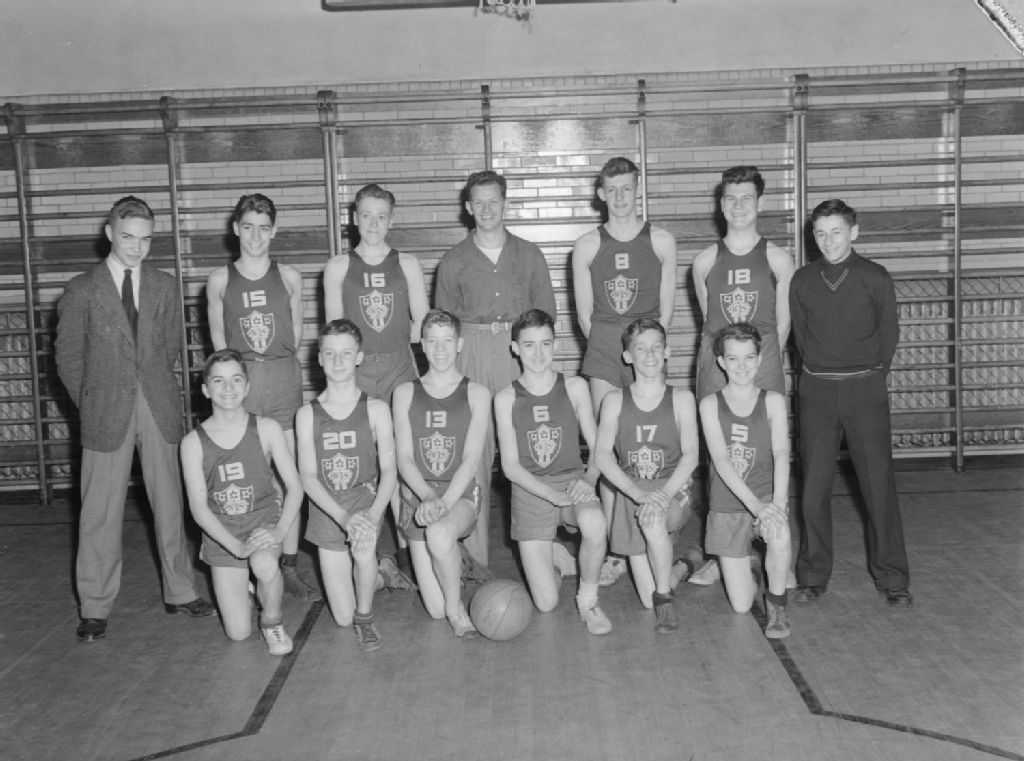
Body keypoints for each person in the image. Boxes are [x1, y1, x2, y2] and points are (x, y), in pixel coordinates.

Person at [55, 196, 215, 644]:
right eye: (127, 237)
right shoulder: (82, 289)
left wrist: (156, 391)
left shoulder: (164, 286)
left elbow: (170, 349)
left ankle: (181, 591)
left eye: (145, 239)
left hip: (157, 406)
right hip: (105, 409)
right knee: (99, 512)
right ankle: (95, 606)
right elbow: (68, 358)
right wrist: (92, 402)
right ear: (109, 233)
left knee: (170, 504)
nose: (136, 247)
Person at [790, 199, 911, 606]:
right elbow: (801, 338)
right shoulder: (802, 280)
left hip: (864, 389)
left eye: (836, 232)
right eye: (820, 234)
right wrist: (819, 374)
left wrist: (867, 377)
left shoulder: (875, 277)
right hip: (818, 391)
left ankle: (892, 577)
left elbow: (888, 336)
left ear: (854, 232)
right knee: (813, 487)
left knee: (878, 486)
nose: (828, 241)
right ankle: (812, 574)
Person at [434, 170, 556, 569]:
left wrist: (536, 359)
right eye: (479, 202)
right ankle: (475, 562)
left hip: (520, 351)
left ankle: (544, 549)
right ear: (468, 208)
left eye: (494, 201)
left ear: (505, 204)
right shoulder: (453, 260)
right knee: (474, 453)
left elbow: (546, 316)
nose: (487, 209)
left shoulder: (530, 254)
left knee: (533, 448)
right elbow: (443, 328)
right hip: (472, 350)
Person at [206, 193, 320, 602]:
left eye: (264, 228)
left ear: (275, 231)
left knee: (288, 477)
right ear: (235, 228)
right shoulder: (219, 281)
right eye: (248, 227)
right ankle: (248, 562)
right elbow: (220, 347)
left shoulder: (289, 277)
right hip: (243, 383)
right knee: (248, 479)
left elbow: (297, 336)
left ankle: (287, 565)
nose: (255, 236)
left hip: (283, 379)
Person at [571, 157, 677, 586]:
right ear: (601, 194)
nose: (619, 197)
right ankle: (616, 549)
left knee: (642, 448)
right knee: (610, 449)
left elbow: (665, 312)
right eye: (611, 190)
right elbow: (584, 317)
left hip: (646, 349)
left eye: (626, 189)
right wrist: (611, 349)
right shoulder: (586, 245)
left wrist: (645, 354)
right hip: (603, 351)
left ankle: (649, 532)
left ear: (638, 190)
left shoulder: (662, 241)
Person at [689, 165, 795, 587]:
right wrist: (725, 363)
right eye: (730, 199)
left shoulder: (778, 258)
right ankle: (724, 551)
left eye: (746, 198)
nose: (738, 206)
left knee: (767, 451)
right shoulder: (704, 261)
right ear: (721, 204)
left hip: (761, 357)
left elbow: (782, 324)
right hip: (718, 358)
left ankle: (776, 543)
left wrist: (761, 364)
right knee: (719, 457)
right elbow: (710, 322)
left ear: (760, 203)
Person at [322, 184, 428, 578]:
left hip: (400, 365)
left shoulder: (408, 264)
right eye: (366, 215)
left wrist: (398, 349)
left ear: (391, 220)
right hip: (358, 369)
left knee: (402, 460)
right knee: (363, 462)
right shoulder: (338, 266)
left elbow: (423, 323)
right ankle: (364, 547)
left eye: (381, 216)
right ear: (354, 218)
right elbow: (335, 332)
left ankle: (406, 549)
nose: (373, 223)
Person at [494, 309, 612, 635]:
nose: (538, 353)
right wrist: (551, 495)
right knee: (546, 603)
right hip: (531, 489)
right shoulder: (505, 398)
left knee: (595, 521)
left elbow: (599, 448)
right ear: (515, 348)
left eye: (545, 344)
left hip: (572, 481)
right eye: (529, 345)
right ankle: (558, 563)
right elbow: (510, 467)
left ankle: (588, 601)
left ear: (555, 345)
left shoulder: (574, 387)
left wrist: (588, 479)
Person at [180, 350, 303, 656]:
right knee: (238, 634)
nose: (228, 388)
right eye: (218, 381)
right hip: (224, 535)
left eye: (236, 380)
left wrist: (279, 531)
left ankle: (272, 621)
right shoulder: (192, 443)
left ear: (247, 387)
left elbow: (295, 487)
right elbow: (198, 508)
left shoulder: (267, 428)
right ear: (205, 389)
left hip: (262, 524)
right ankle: (249, 588)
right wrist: (234, 547)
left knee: (264, 563)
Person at [295, 320, 398, 651]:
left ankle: (366, 619)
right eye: (330, 353)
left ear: (359, 357)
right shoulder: (306, 414)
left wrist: (372, 517)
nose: (338, 361)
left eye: (346, 353)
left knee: (363, 549)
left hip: (364, 502)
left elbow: (389, 470)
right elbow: (307, 477)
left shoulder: (376, 409)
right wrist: (342, 518)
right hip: (328, 509)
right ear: (319, 359)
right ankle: (382, 573)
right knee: (341, 616)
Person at [594, 318, 698, 633]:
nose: (649, 355)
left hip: (672, 490)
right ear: (628, 356)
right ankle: (686, 565)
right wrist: (637, 494)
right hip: (633, 493)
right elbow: (602, 456)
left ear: (667, 351)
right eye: (641, 349)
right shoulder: (614, 400)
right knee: (645, 598)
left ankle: (665, 598)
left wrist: (663, 494)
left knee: (653, 523)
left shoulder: (681, 398)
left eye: (656, 347)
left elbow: (691, 455)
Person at [393, 310, 492, 637]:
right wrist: (427, 497)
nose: (440, 349)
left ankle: (455, 607)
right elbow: (404, 458)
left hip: (458, 494)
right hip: (418, 497)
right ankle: (456, 559)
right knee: (432, 611)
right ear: (421, 345)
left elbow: (471, 458)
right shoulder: (404, 392)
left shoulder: (477, 392)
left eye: (447, 340)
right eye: (432, 341)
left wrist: (444, 502)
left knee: (438, 535)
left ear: (459, 344)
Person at [698, 323, 792, 639]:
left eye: (749, 357)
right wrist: (756, 507)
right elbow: (721, 461)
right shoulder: (710, 404)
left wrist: (777, 504)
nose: (742, 366)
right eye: (733, 358)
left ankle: (777, 604)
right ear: (721, 362)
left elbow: (781, 453)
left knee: (779, 532)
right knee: (741, 605)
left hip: (764, 497)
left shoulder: (773, 400)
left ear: (759, 359)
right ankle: (752, 565)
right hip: (728, 505)